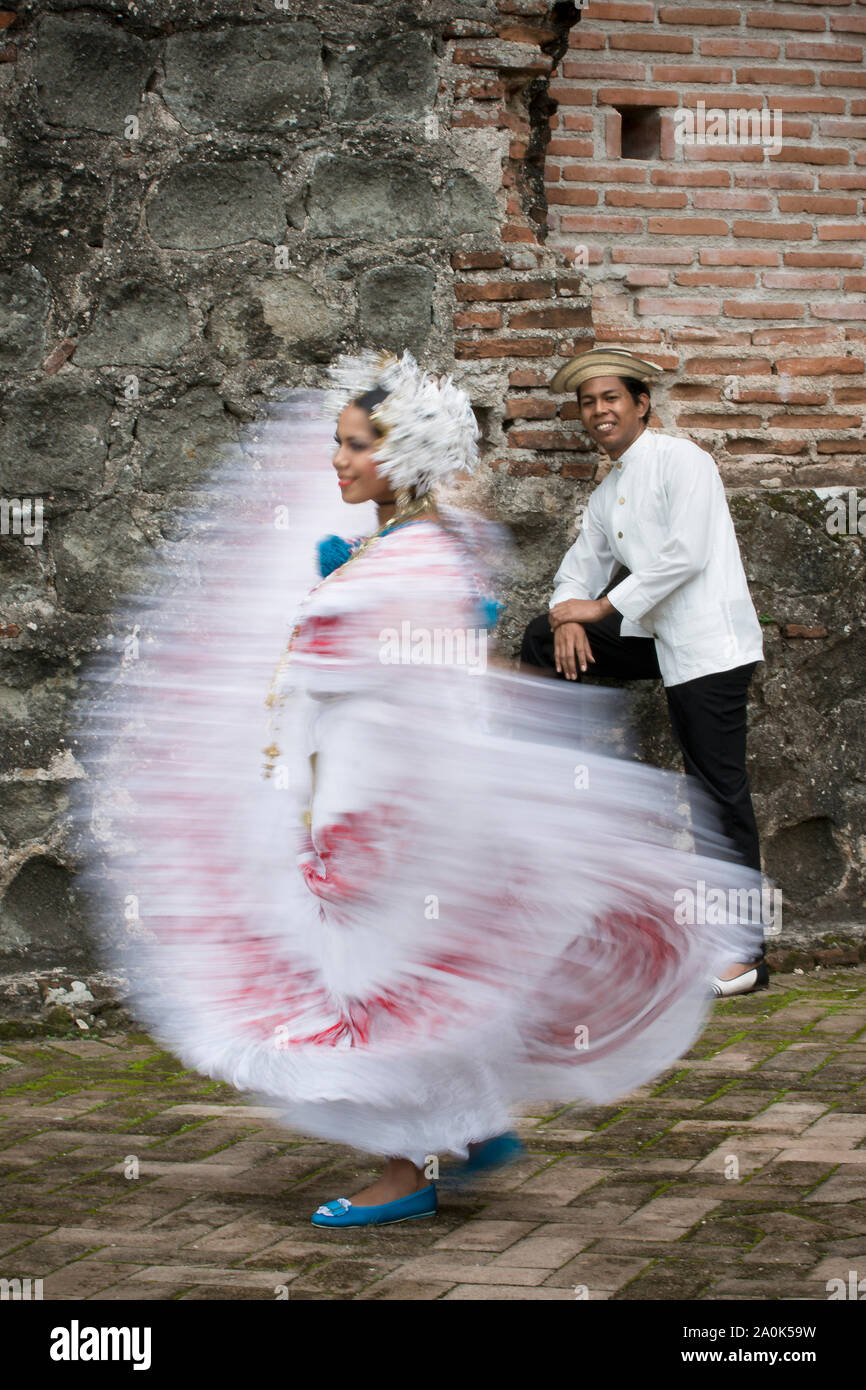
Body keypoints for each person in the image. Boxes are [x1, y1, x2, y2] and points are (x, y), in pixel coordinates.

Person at [73, 351, 762, 1233]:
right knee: (390, 975)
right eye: (337, 443)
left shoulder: (419, 557)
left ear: (399, 459)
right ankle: (471, 1131)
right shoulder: (395, 548)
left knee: (376, 984)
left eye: (355, 446)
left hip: (384, 817)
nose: (337, 461)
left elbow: (420, 679)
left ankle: (405, 1169)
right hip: (354, 801)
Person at [520, 348, 768, 998]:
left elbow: (683, 555)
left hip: (708, 647)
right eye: (588, 403)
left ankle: (745, 954)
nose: (598, 411)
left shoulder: (683, 462)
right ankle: (558, 791)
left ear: (640, 404)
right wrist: (570, 616)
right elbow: (578, 567)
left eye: (610, 399)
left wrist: (600, 606)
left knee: (716, 793)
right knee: (543, 637)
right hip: (658, 641)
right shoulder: (609, 492)